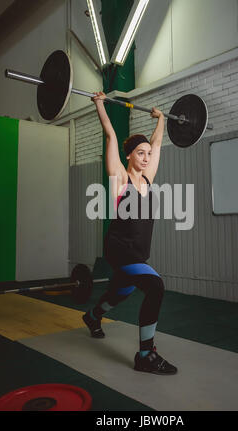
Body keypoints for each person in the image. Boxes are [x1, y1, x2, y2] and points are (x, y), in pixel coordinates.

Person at [82, 91, 177, 375]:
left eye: (148, 154)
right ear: (129, 156)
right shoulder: (121, 179)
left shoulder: (148, 178)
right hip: (119, 248)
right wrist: (100, 104)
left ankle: (92, 316)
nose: (147, 157)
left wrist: (160, 119)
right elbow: (111, 135)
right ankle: (146, 354)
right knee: (155, 286)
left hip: (137, 252)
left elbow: (158, 142)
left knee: (121, 292)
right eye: (141, 153)